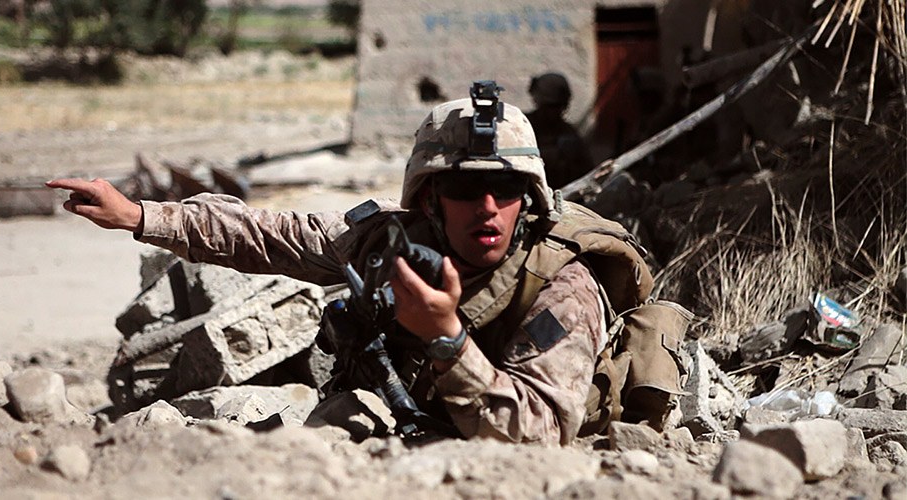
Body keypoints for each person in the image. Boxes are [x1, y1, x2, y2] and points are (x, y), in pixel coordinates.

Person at [48, 87, 650, 445]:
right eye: (467, 190)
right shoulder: (393, 241)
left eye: (506, 189)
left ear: (532, 197)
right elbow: (271, 236)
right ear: (431, 198)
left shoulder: (562, 285)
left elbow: (538, 437)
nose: (488, 208)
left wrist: (446, 339)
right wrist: (140, 216)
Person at [525, 72, 595, 189]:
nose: (553, 113)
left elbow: (586, 173)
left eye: (558, 107)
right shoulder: (524, 127)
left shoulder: (569, 135)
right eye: (549, 107)